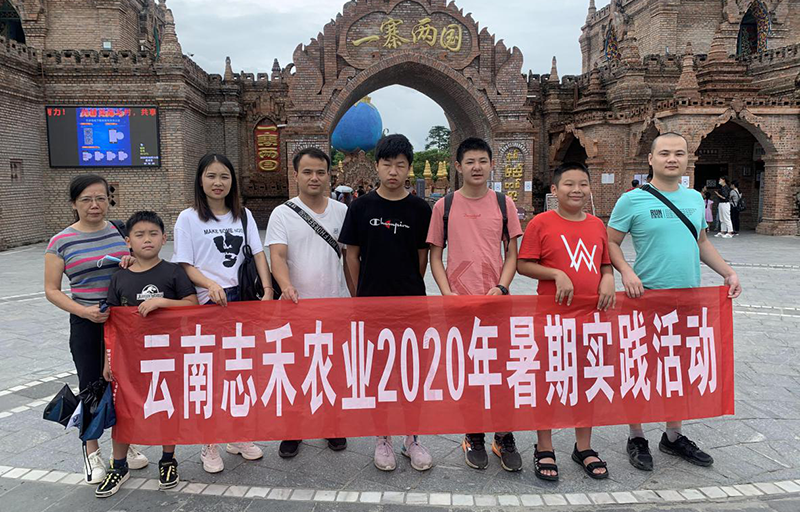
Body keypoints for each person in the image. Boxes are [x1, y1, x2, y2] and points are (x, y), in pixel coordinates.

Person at [607, 132, 742, 472]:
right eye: (665, 153)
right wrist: (626, 271)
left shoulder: (694, 199)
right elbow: (609, 242)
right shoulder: (632, 200)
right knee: (641, 368)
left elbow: (701, 242)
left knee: (678, 369)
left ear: (687, 159)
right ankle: (636, 436)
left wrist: (727, 272)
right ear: (650, 159)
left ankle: (673, 435)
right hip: (646, 298)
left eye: (679, 153)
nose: (672, 159)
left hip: (688, 300)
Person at [427, 138, 524, 472]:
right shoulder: (445, 206)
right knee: (469, 371)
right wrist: (446, 293)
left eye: (482, 161)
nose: (477, 167)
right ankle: (474, 435)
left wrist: (502, 286)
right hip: (460, 305)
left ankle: (504, 436)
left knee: (503, 371)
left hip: (497, 302)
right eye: (470, 162)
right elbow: (435, 255)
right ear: (458, 167)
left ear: (492, 164)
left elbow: (512, 253)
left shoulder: (503, 203)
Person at [44, 174, 148, 484]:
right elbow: (51, 290)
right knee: (90, 385)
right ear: (73, 203)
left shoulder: (119, 231)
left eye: (101, 198)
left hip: (123, 322)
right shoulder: (60, 241)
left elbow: (143, 264)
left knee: (124, 385)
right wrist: (84, 312)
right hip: (86, 323)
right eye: (86, 199)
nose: (94, 205)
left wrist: (132, 261)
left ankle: (124, 445)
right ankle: (91, 451)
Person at [172, 153, 272, 473]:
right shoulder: (188, 218)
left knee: (241, 372)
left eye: (224, 176)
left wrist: (268, 290)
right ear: (200, 180)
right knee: (212, 374)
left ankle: (238, 435)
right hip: (208, 304)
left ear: (233, 182)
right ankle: (210, 441)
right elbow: (184, 263)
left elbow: (258, 254)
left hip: (242, 300)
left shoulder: (243, 215)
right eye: (211, 176)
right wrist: (209, 283)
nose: (218, 183)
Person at [339, 134, 433, 472]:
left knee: (411, 373)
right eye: (387, 164)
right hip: (372, 307)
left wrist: (407, 288)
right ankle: (383, 438)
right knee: (378, 374)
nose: (393, 171)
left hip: (411, 307)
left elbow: (422, 258)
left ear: (409, 168)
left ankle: (412, 438)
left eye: (400, 165)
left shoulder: (420, 209)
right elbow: (351, 256)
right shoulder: (361, 207)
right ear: (377, 166)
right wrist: (359, 296)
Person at [517, 162, 615, 482]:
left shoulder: (597, 225)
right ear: (554, 190)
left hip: (591, 319)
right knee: (548, 381)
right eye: (569, 184)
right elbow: (523, 264)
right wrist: (556, 273)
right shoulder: (541, 223)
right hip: (551, 319)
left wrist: (608, 278)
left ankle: (583, 446)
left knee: (586, 381)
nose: (577, 190)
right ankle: (544, 446)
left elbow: (604, 264)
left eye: (583, 184)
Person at [96, 211, 198, 498]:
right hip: (129, 358)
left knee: (167, 407)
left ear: (164, 239)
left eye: (153, 234)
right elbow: (112, 324)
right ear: (128, 242)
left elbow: (192, 303)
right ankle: (118, 465)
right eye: (139, 235)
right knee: (124, 411)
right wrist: (107, 360)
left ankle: (168, 460)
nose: (147, 239)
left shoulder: (173, 272)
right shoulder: (119, 277)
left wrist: (162, 302)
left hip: (168, 355)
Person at [266, 147, 350, 458]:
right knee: (295, 369)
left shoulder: (342, 212)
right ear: (296, 175)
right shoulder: (282, 213)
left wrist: (357, 296)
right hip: (296, 307)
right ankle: (293, 427)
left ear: (329, 176)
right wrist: (285, 286)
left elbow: (351, 257)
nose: (314, 178)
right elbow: (277, 256)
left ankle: (332, 423)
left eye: (320, 172)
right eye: (307, 172)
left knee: (332, 367)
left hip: (335, 305)